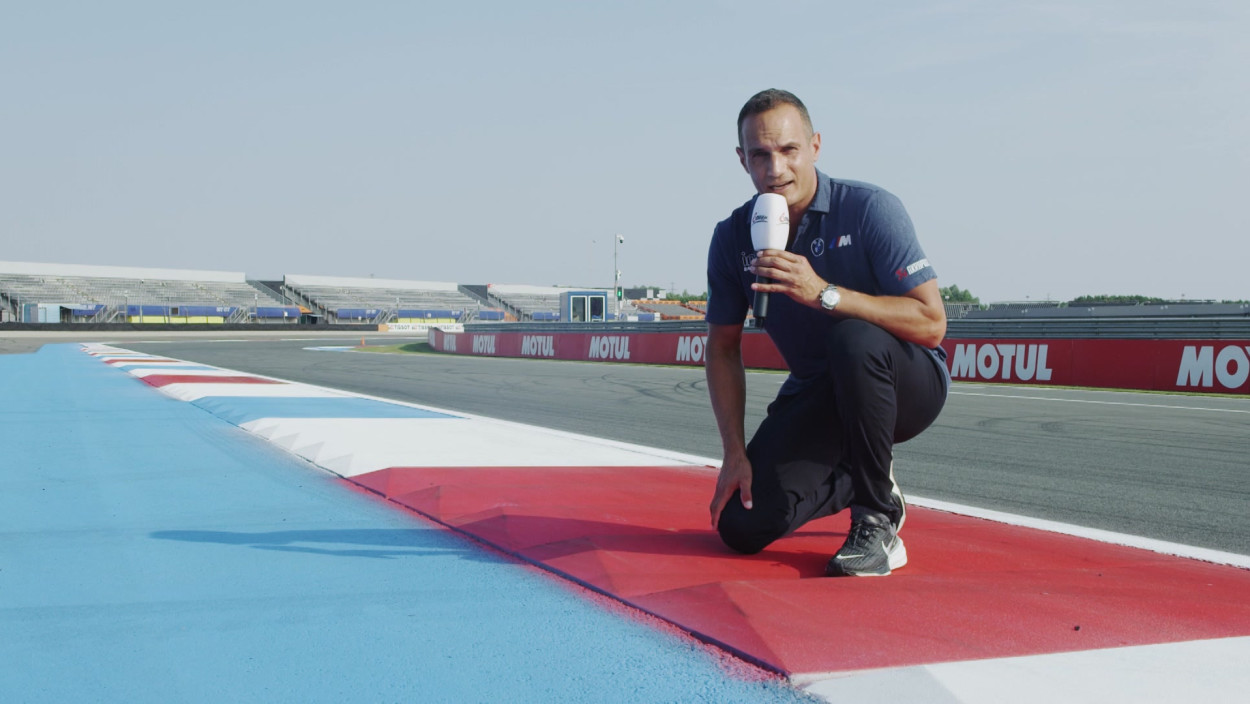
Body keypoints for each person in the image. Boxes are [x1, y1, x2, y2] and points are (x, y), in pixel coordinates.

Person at [704, 88, 949, 577]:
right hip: (820, 392)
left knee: (851, 339)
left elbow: (932, 323)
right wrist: (733, 452)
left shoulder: (869, 208)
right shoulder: (732, 237)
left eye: (789, 150)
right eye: (760, 155)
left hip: (904, 384)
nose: (775, 169)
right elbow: (723, 347)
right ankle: (862, 471)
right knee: (740, 526)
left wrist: (824, 293)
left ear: (815, 145)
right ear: (742, 160)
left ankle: (878, 517)